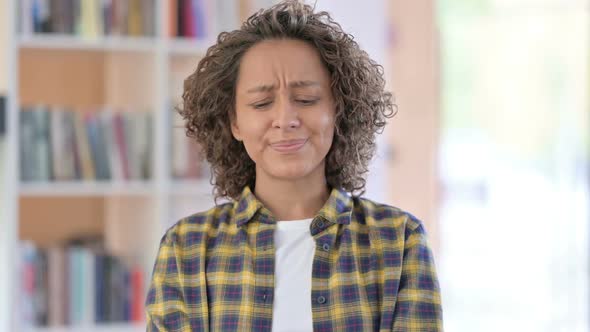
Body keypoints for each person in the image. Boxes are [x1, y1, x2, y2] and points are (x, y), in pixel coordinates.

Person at [145, 1, 443, 331]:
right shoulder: (187, 247)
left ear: (339, 110)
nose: (286, 120)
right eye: (261, 103)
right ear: (234, 122)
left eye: (306, 99)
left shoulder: (399, 242)